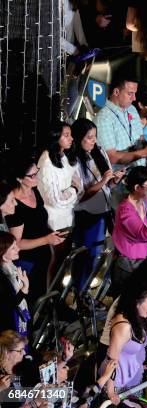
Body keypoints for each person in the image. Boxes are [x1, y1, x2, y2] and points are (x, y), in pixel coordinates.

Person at [72, 119, 124, 290]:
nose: (94, 140)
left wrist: (114, 180)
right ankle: (80, 291)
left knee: (97, 255)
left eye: (95, 136)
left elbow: (108, 185)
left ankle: (87, 292)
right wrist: (103, 181)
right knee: (85, 256)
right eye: (89, 137)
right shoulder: (73, 160)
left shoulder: (99, 151)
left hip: (103, 210)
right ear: (78, 138)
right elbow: (80, 196)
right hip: (85, 214)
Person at [6, 157, 65, 303]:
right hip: (28, 260)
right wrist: (46, 239)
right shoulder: (14, 205)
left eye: (37, 172)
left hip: (43, 252)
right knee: (34, 297)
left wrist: (53, 233)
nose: (37, 177)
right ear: (19, 179)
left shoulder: (34, 190)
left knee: (47, 289)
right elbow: (17, 243)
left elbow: (40, 221)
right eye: (32, 175)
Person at [100, 284, 147, 405]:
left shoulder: (141, 316)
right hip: (118, 382)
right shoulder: (123, 326)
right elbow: (112, 360)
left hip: (135, 378)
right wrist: (110, 391)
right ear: (137, 303)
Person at [93, 75, 147, 168]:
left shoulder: (131, 109)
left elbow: (140, 138)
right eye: (130, 93)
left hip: (141, 170)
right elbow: (111, 157)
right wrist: (145, 152)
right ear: (116, 92)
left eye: (135, 93)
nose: (134, 98)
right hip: (121, 179)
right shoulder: (103, 119)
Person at [36, 122, 83, 231]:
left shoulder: (65, 155)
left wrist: (73, 191)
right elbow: (56, 200)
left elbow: (80, 186)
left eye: (70, 135)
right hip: (55, 221)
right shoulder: (47, 162)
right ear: (55, 136)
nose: (71, 139)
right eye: (66, 135)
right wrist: (74, 190)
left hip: (69, 216)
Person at [0, 232, 30, 336]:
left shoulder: (12, 267)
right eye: (13, 248)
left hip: (18, 320)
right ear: (3, 255)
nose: (18, 249)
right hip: (9, 327)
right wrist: (24, 289)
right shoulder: (3, 278)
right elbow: (7, 305)